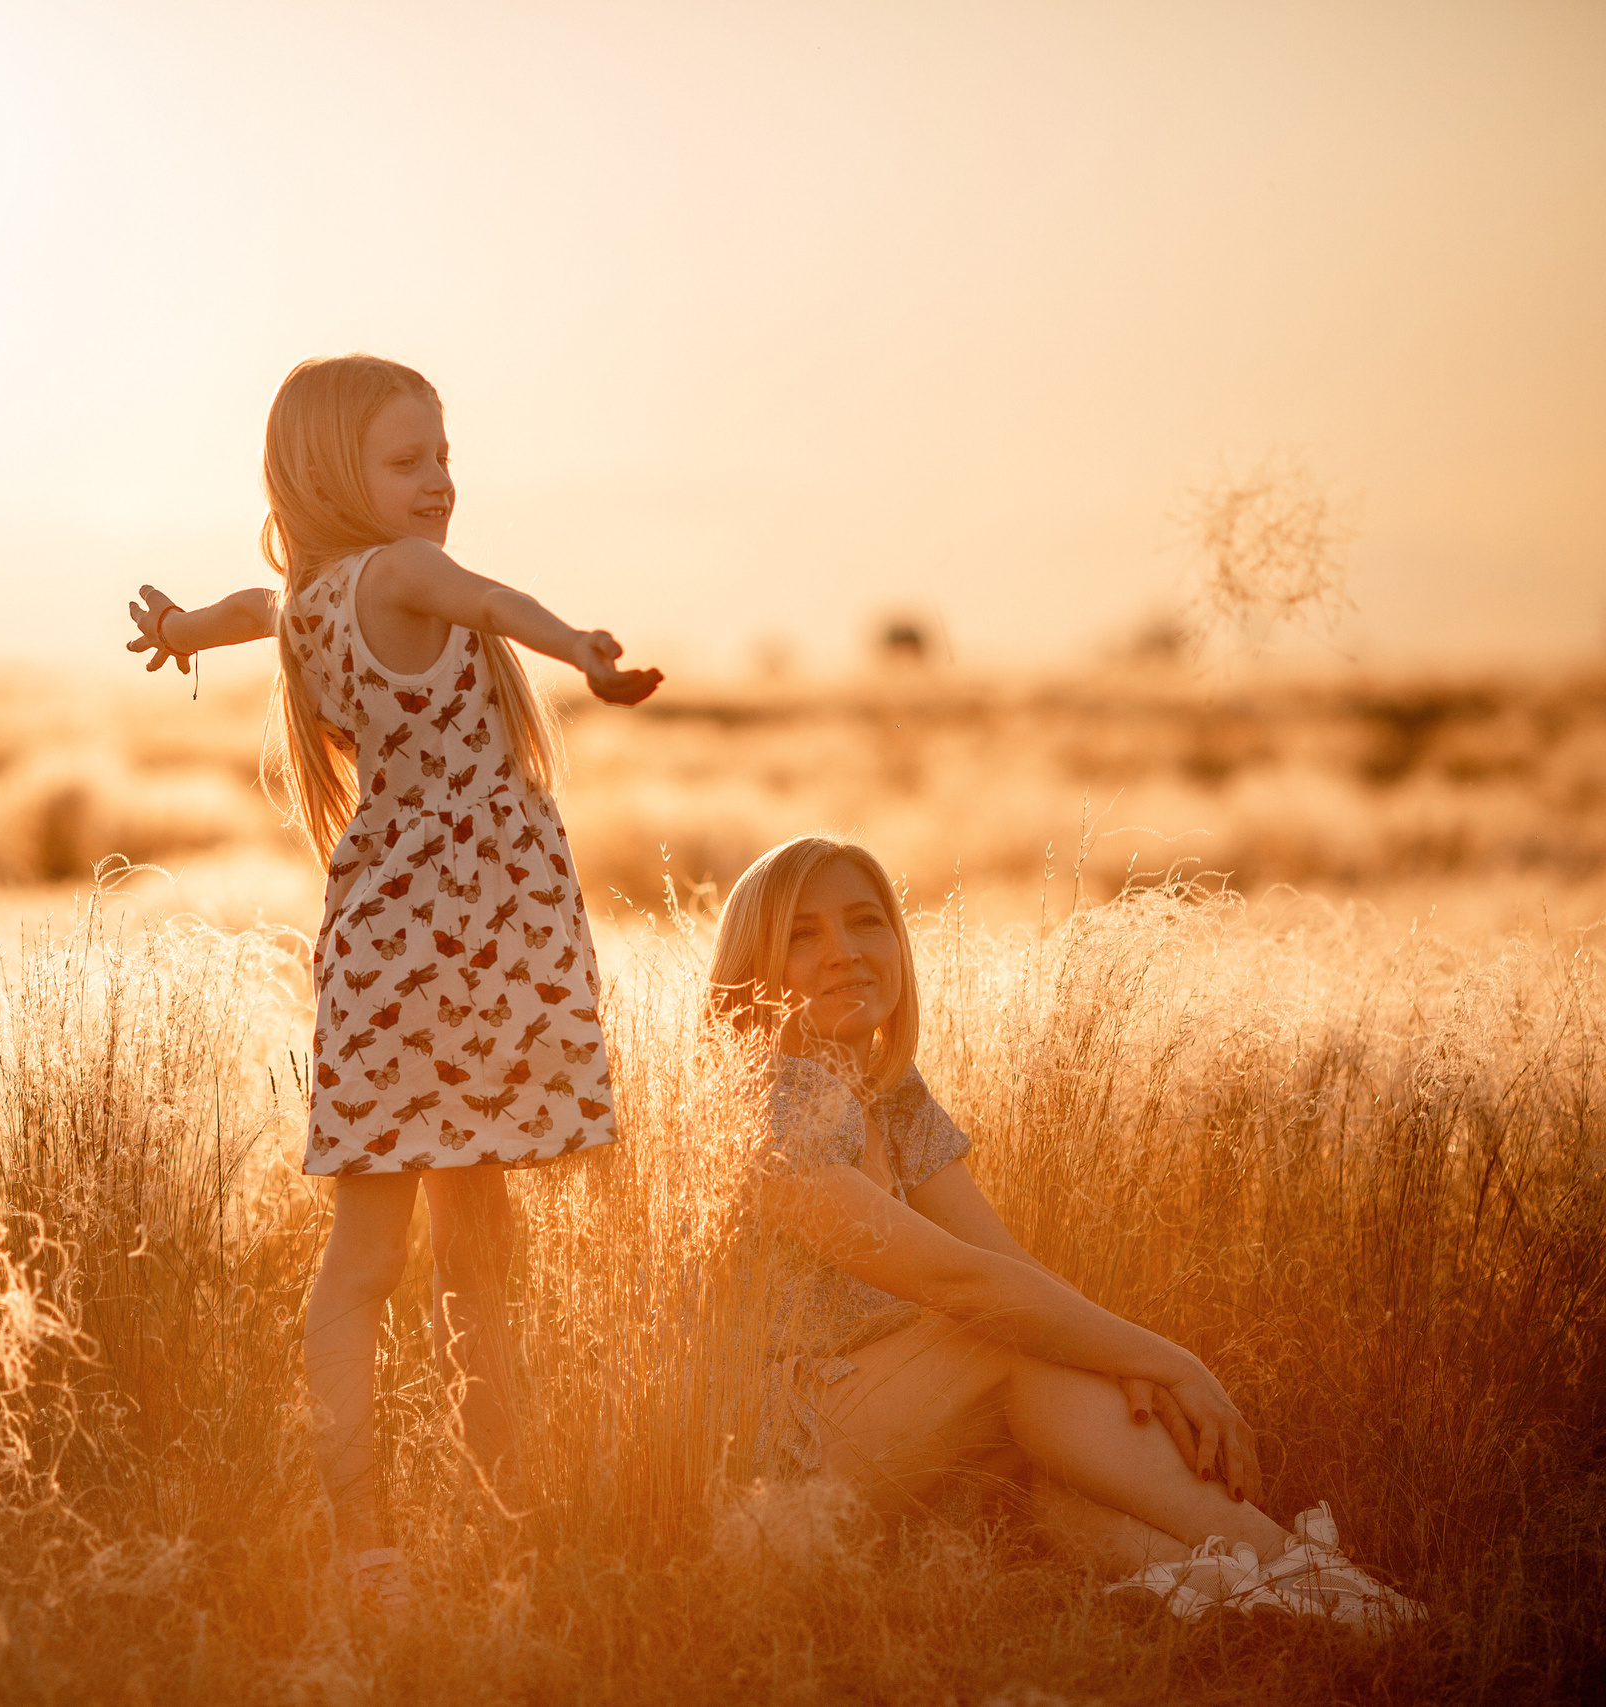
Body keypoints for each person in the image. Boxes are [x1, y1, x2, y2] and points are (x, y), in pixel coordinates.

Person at [123, 354, 662, 1616]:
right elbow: (488, 598)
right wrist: (580, 648)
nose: (438, 482)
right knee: (479, 1256)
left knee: (365, 1263)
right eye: (408, 460)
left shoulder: (309, 596)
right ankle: (507, 1502)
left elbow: (246, 613)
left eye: (443, 455)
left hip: (383, 944)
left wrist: (177, 631)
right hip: (482, 944)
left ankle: (372, 1541)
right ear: (330, 476)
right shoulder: (405, 574)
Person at [712, 834, 1421, 1630]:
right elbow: (968, 1288)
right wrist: (1171, 1362)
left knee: (1056, 1476)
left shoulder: (888, 1090)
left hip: (899, 1423)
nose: (843, 951)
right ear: (754, 971)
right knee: (1002, 1338)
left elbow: (1009, 1264)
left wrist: (1112, 1355)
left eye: (865, 921)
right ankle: (1323, 1577)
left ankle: (1265, 1601)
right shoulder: (766, 1104)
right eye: (803, 934)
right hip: (783, 1460)